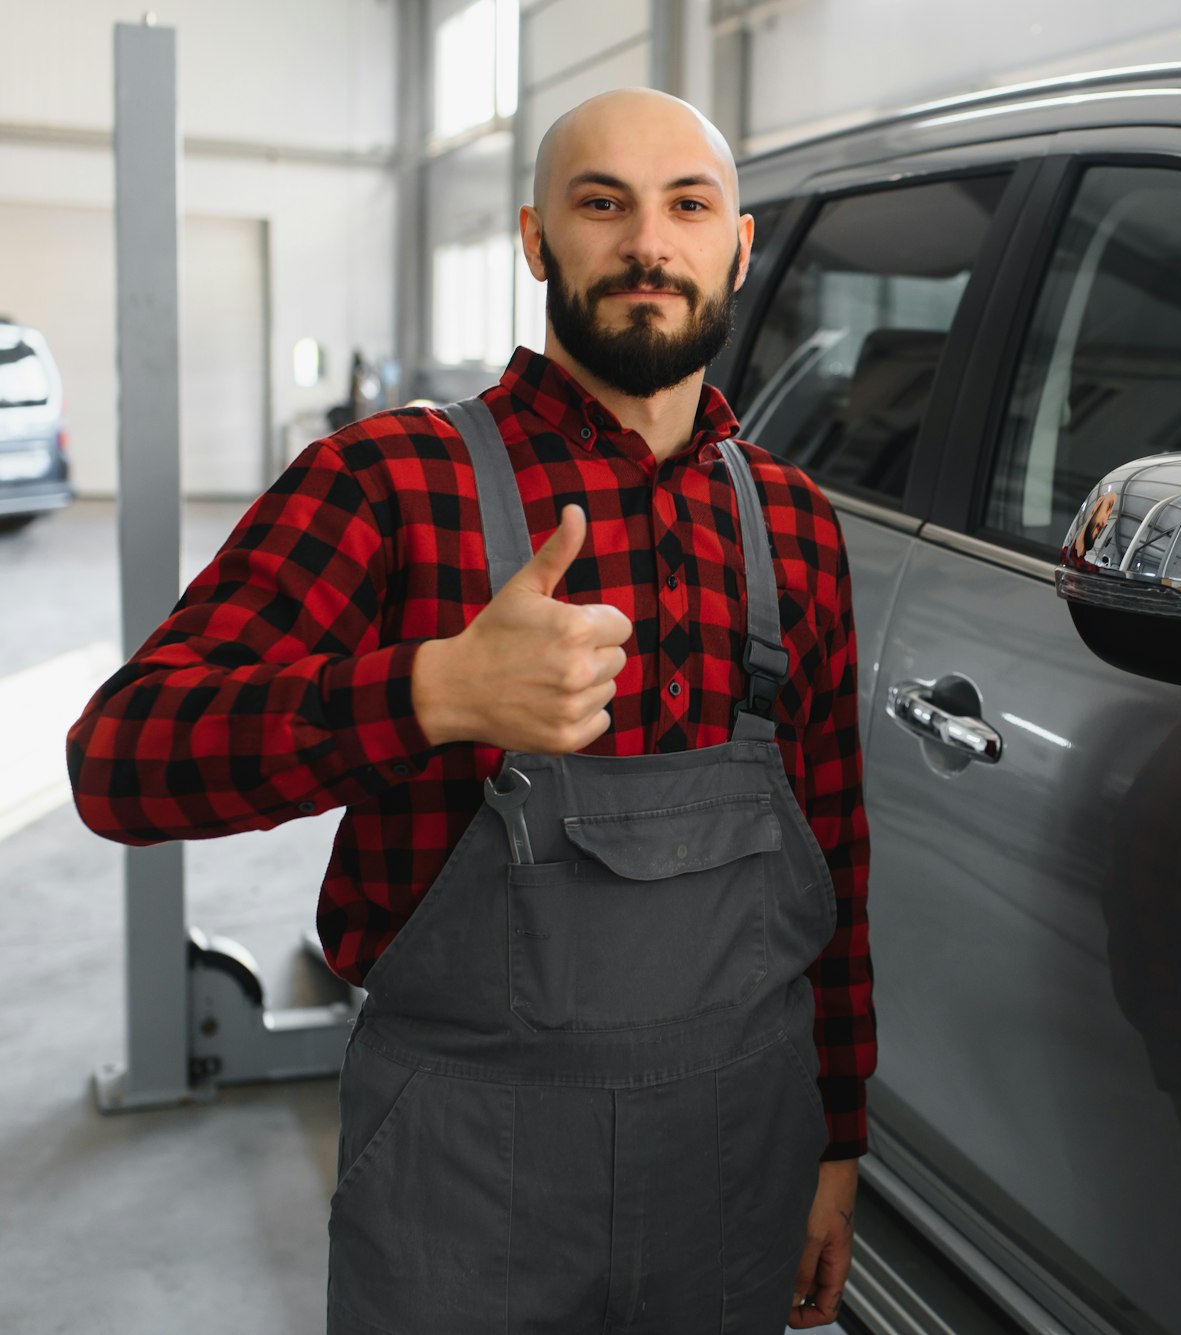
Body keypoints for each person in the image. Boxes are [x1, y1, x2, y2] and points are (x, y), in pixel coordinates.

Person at [67, 88, 873, 1333]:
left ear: (738, 246)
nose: (646, 244)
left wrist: (835, 1141)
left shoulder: (793, 526)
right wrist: (427, 691)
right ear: (536, 240)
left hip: (737, 1152)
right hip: (465, 1167)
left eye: (686, 206)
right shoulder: (391, 482)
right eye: (600, 204)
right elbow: (122, 761)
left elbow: (835, 853)